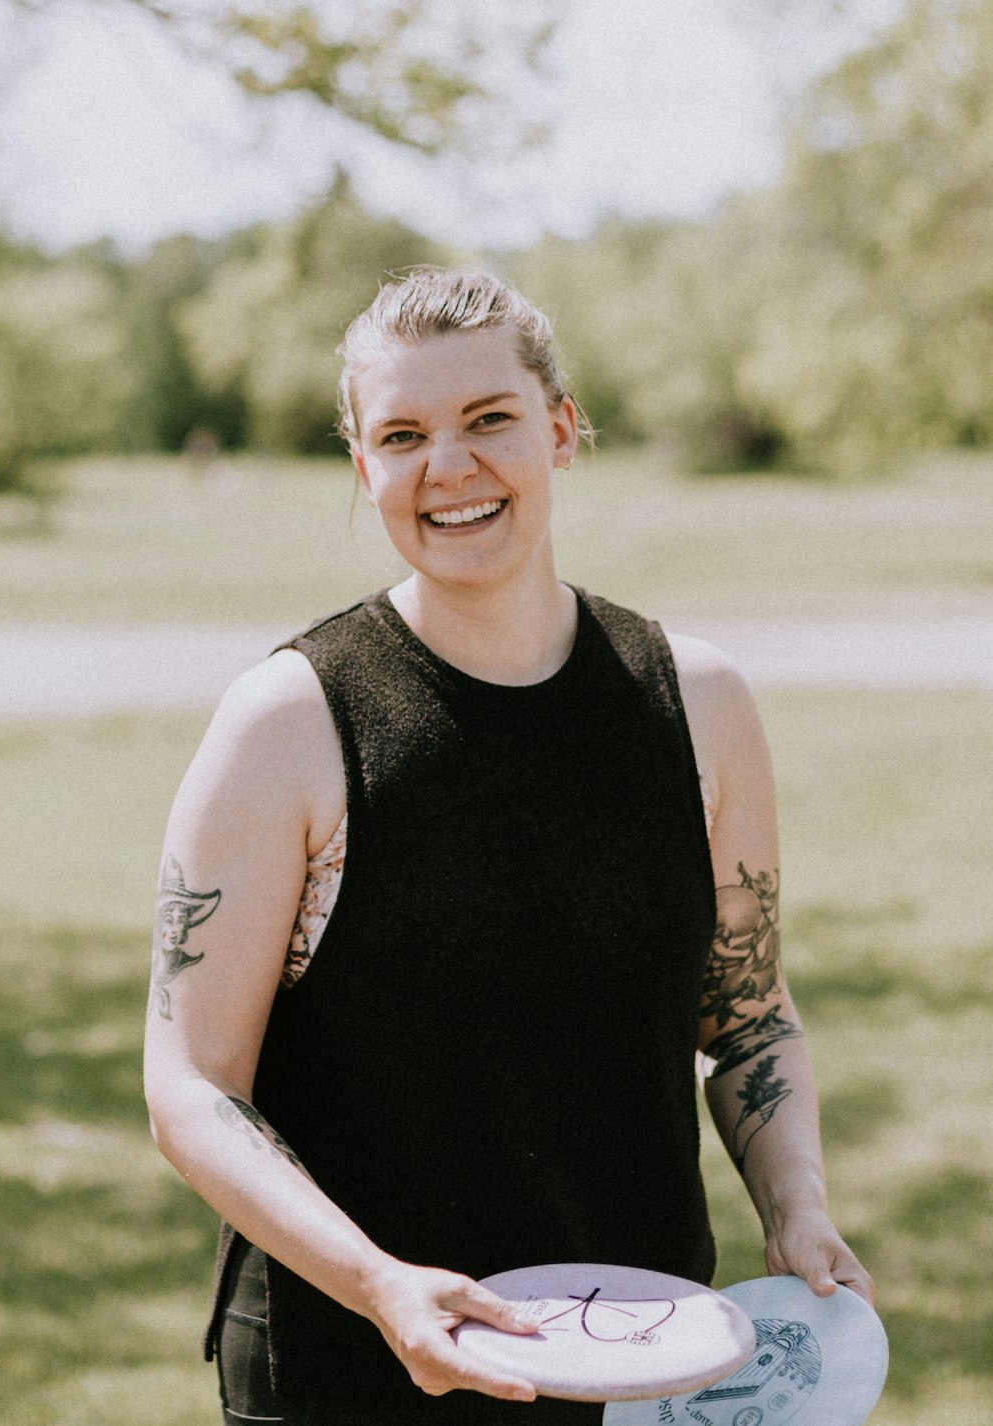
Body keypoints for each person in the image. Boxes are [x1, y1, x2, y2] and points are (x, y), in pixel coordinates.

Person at [144, 269, 874, 1426]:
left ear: (561, 430)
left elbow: (744, 1011)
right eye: (403, 435)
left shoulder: (698, 702)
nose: (450, 466)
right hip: (350, 1371)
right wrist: (380, 1288)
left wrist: (796, 1202)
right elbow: (191, 1083)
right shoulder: (289, 722)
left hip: (641, 1355)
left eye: (489, 418)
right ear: (362, 467)